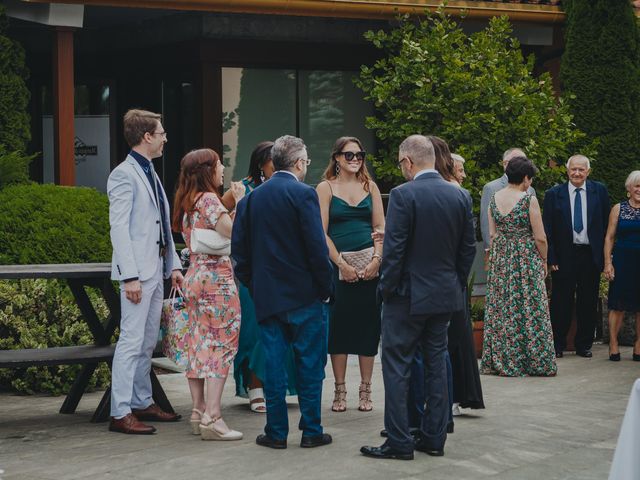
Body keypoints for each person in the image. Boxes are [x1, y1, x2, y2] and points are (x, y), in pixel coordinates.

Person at [360, 135, 476, 460]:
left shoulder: (402, 194)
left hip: (406, 297)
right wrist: (454, 283)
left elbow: (394, 251)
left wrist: (386, 289)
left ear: (408, 162)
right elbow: (467, 250)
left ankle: (399, 442)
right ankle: (434, 439)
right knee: (437, 365)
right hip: (444, 297)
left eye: (400, 164)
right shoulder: (460, 196)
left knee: (397, 366)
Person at [232, 135, 334, 450]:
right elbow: (316, 248)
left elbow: (240, 252)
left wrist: (253, 284)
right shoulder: (303, 195)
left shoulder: (251, 198)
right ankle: (312, 430)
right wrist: (326, 287)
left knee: (273, 364)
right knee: (309, 362)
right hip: (304, 294)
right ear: (300, 162)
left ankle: (276, 432)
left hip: (268, 295)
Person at [107, 109, 183, 434]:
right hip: (137, 274)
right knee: (131, 340)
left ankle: (142, 401)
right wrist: (129, 276)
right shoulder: (123, 174)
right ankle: (120, 411)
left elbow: (162, 225)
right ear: (147, 136)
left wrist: (174, 265)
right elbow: (119, 228)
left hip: (157, 271)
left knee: (147, 340)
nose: (166, 137)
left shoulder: (150, 170)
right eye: (162, 132)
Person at [172, 148, 244, 440]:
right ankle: (213, 418)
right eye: (218, 164)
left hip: (194, 277)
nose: (223, 168)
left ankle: (198, 411)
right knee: (221, 346)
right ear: (207, 170)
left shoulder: (188, 200)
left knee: (198, 344)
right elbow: (231, 230)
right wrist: (240, 201)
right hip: (217, 281)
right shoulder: (210, 199)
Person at [223, 141, 298, 413]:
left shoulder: (283, 186)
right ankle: (255, 388)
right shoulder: (241, 189)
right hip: (251, 271)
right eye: (271, 160)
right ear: (260, 163)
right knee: (254, 331)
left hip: (282, 271)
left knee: (282, 331)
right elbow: (214, 218)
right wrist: (236, 210)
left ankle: (276, 386)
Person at [316, 136, 385, 413]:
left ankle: (366, 388)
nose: (355, 159)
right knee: (340, 329)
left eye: (359, 155)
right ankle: (340, 388)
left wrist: (377, 260)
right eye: (349, 155)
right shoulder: (325, 188)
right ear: (336, 158)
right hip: (339, 267)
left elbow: (380, 225)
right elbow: (321, 232)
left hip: (370, 267)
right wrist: (340, 263)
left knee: (369, 328)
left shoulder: (371, 187)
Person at [481, 156, 557, 377]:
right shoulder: (528, 199)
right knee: (531, 306)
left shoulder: (494, 198)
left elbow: (492, 233)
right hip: (525, 258)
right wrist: (543, 260)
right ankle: (534, 361)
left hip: (501, 258)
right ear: (525, 178)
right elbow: (540, 237)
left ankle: (503, 360)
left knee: (503, 308)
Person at [429, 139, 484, 411]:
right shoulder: (455, 192)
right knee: (450, 339)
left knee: (449, 341)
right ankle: (451, 399)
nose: (462, 175)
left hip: (449, 279)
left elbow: (466, 246)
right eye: (459, 169)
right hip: (452, 279)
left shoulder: (453, 191)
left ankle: (449, 398)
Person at [543, 154, 610, 358]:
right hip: (564, 256)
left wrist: (605, 257)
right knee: (561, 301)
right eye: (574, 169)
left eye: (581, 169)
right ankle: (558, 344)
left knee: (588, 301)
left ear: (588, 172)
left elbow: (606, 224)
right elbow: (547, 229)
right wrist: (551, 257)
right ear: (567, 170)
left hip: (590, 255)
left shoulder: (599, 191)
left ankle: (583, 345)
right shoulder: (554, 194)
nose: (577, 173)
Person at [603, 170, 640, 362]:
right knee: (617, 305)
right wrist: (608, 263)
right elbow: (609, 237)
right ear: (629, 188)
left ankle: (638, 345)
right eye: (637, 186)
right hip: (622, 261)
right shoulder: (619, 208)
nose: (639, 190)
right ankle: (614, 343)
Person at [480, 148, 535, 252]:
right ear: (505, 164)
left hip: (526, 251)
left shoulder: (531, 189)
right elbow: (486, 223)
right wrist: (489, 250)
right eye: (518, 161)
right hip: (499, 250)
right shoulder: (491, 188)